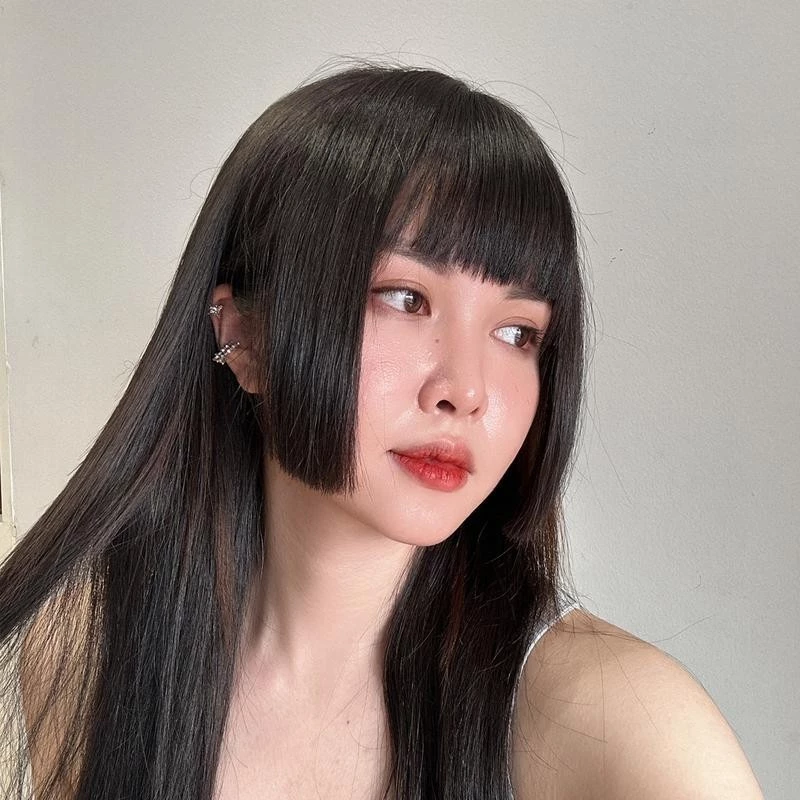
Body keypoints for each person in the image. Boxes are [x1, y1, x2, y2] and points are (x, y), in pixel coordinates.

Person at [0, 60, 763, 800]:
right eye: (405, 297)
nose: (466, 390)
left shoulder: (618, 723)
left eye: (518, 333)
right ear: (245, 335)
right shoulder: (84, 648)